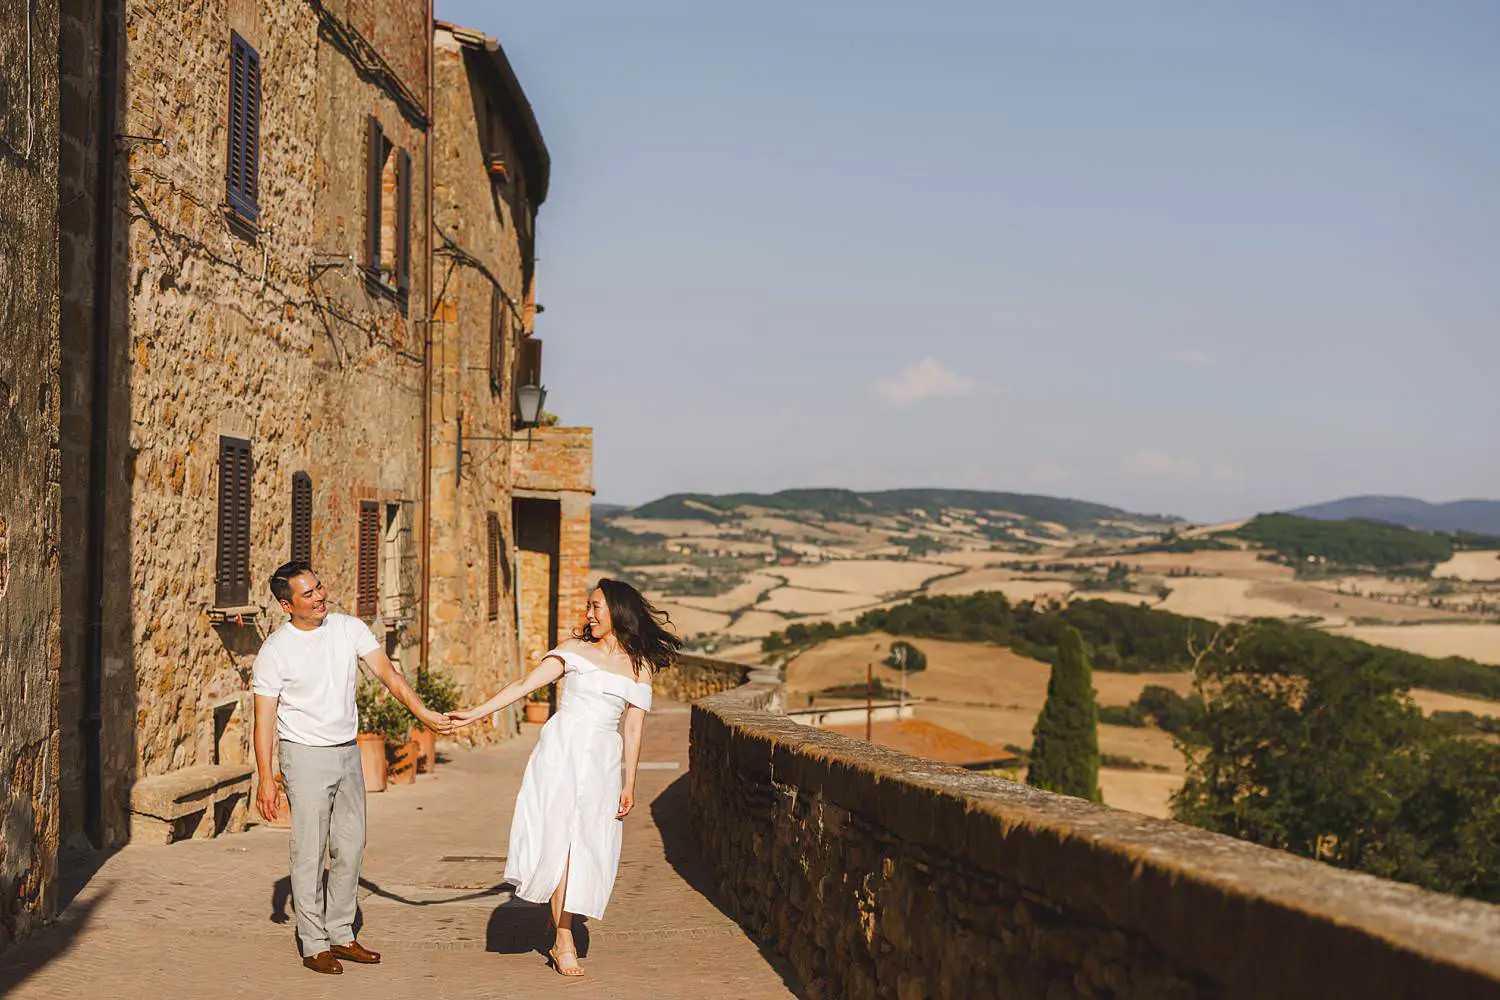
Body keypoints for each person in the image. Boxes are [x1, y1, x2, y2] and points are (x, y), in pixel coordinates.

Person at [448, 578, 681, 977]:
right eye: (589, 607)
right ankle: (563, 938)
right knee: (562, 839)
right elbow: (524, 686)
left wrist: (629, 783)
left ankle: (561, 925)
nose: (588, 615)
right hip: (561, 752)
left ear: (618, 612)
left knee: (587, 842)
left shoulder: (639, 666)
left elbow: (634, 728)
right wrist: (473, 713)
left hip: (603, 761)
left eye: (596, 607)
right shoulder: (573, 651)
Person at [252, 559, 453, 976]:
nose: (319, 596)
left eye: (319, 587)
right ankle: (313, 943)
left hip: (347, 752)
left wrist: (424, 713)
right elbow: (264, 719)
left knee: (351, 845)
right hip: (303, 755)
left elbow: (390, 676)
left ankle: (341, 933)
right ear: (287, 606)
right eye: (307, 594)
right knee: (309, 851)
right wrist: (265, 779)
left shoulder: (349, 629)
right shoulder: (275, 650)